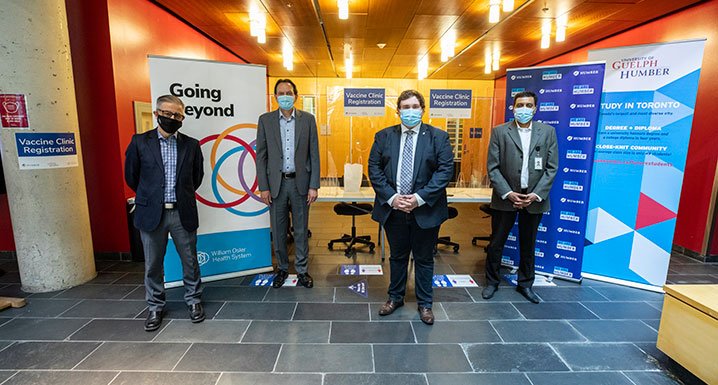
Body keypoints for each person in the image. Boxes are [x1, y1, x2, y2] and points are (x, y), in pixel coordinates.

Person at [368, 89, 454, 325]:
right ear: (397, 111)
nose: (410, 112)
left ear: (423, 110)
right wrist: (393, 198)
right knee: (397, 256)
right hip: (393, 208)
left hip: (425, 209)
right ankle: (395, 297)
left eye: (414, 107)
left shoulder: (438, 137)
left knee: (424, 258)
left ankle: (425, 303)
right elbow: (374, 169)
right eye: (405, 108)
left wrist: (418, 198)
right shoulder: (383, 136)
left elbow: (445, 171)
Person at [125, 94, 205, 331]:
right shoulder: (140, 142)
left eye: (177, 115)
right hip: (152, 213)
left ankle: (194, 300)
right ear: (157, 113)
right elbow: (132, 176)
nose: (172, 118)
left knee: (190, 260)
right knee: (153, 264)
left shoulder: (191, 145)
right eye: (167, 113)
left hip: (182, 212)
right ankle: (155, 306)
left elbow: (196, 178)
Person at [482, 91, 558, 303]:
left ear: (535, 109)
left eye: (528, 105)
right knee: (497, 242)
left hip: (534, 198)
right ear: (513, 108)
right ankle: (491, 282)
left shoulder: (548, 132)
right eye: (520, 105)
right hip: (505, 197)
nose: (524, 109)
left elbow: (552, 168)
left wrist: (535, 194)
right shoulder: (500, 132)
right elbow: (493, 167)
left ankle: (526, 284)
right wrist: (508, 193)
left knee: (528, 243)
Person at [256, 79, 320, 289]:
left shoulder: (308, 120)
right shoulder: (265, 120)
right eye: (281, 93)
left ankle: (302, 270)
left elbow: (314, 154)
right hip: (276, 185)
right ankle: (282, 268)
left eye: (289, 92)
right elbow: (261, 156)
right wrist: (263, 186)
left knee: (301, 230)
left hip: (300, 183)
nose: (285, 96)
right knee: (279, 229)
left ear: (296, 95)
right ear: (275, 97)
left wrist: (314, 185)